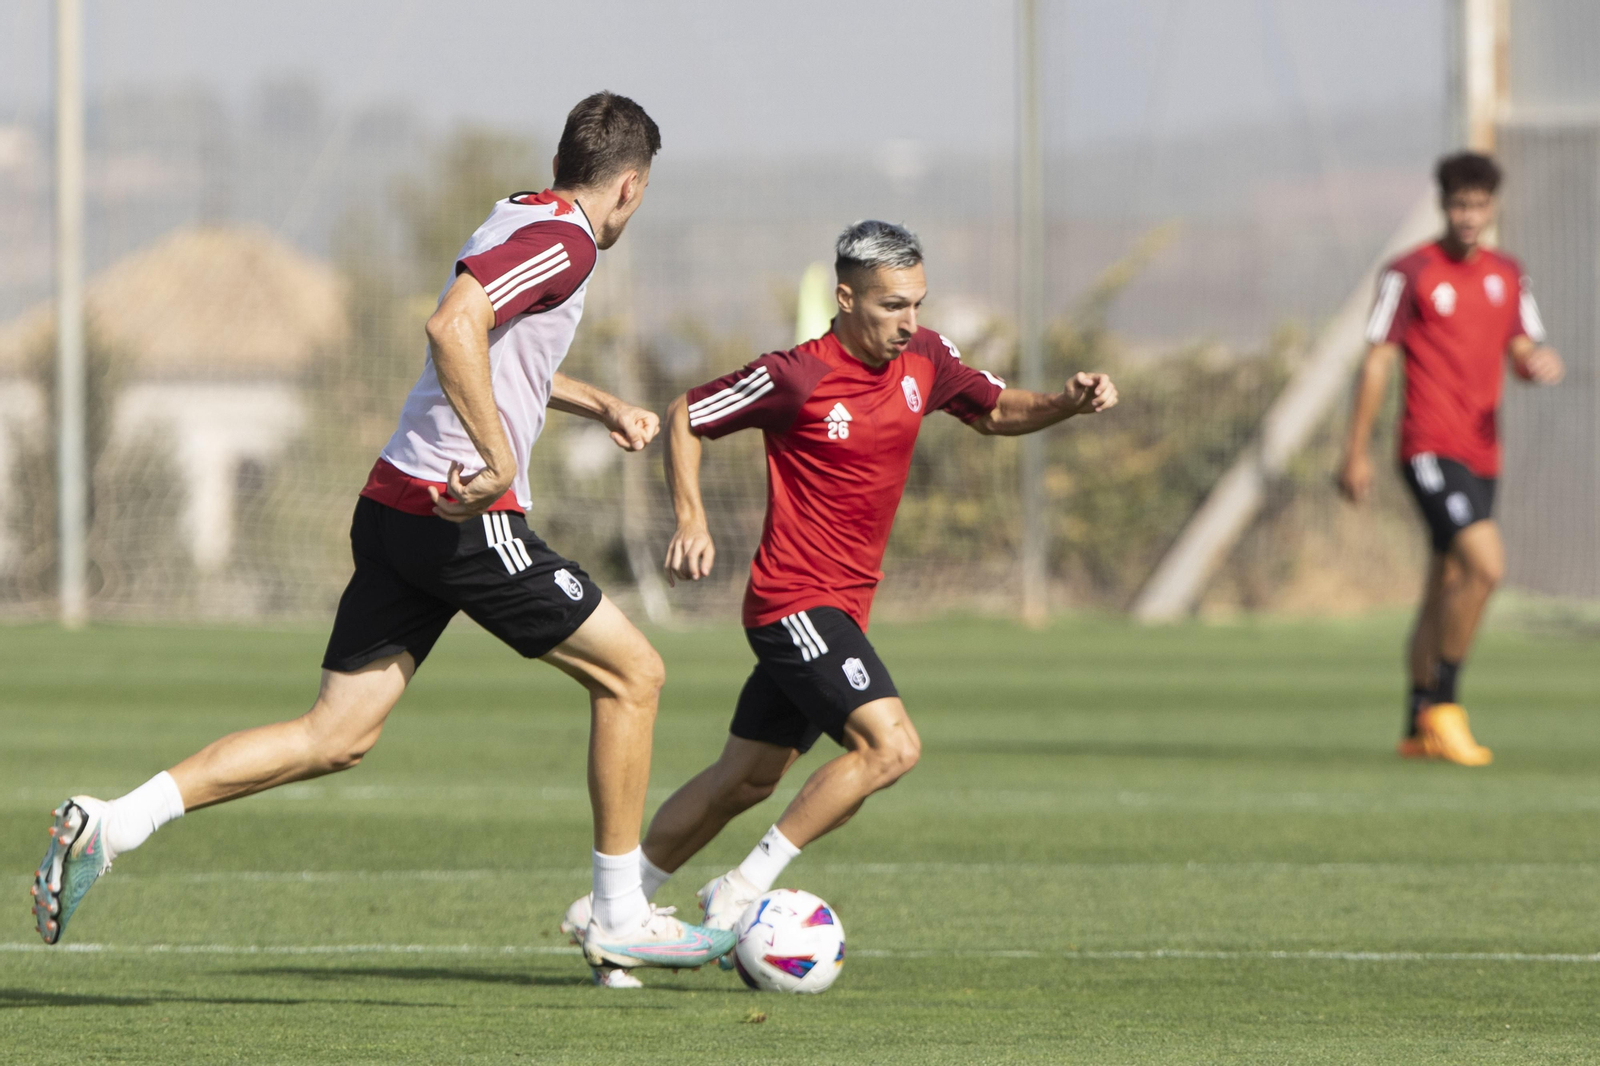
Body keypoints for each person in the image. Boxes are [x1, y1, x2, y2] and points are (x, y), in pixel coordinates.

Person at [32, 92, 733, 983]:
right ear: (631, 186)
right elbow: (453, 329)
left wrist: (600, 405)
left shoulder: (520, 215)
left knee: (336, 735)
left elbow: (498, 343)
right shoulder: (569, 243)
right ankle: (620, 913)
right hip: (463, 519)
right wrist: (491, 458)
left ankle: (115, 821)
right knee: (635, 673)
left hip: (397, 503)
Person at [561, 219, 1118, 977]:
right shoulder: (797, 375)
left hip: (841, 609)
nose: (909, 322)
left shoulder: (926, 356)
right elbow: (690, 414)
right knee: (891, 746)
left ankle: (612, 911)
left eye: (917, 302)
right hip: (794, 602)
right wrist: (691, 516)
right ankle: (740, 889)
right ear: (845, 297)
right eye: (892, 306)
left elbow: (993, 410)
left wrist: (1065, 402)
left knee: (747, 780)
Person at [1339, 151, 1563, 766]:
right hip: (1428, 447)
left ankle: (1415, 724)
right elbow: (1377, 363)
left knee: (1443, 584)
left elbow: (1524, 346)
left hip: (1484, 453)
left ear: (1493, 208)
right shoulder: (1408, 274)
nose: (1469, 216)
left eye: (1479, 205)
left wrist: (1536, 364)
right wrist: (1354, 452)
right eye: (1459, 204)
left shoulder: (1508, 274)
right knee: (1486, 567)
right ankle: (1445, 706)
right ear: (1443, 206)